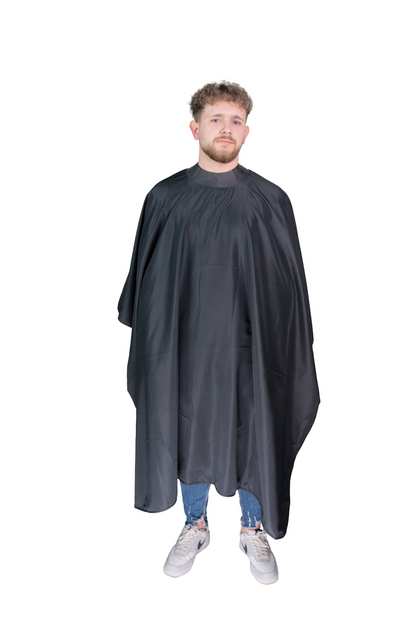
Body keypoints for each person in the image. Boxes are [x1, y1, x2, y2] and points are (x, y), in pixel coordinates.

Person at [118, 81, 320, 585]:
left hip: (252, 350)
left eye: (235, 121)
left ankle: (253, 528)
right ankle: (196, 523)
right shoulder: (165, 198)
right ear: (195, 128)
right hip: (183, 348)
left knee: (255, 428)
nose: (226, 129)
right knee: (187, 427)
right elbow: (145, 282)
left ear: (246, 131)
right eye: (216, 119)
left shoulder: (270, 200)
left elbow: (289, 290)